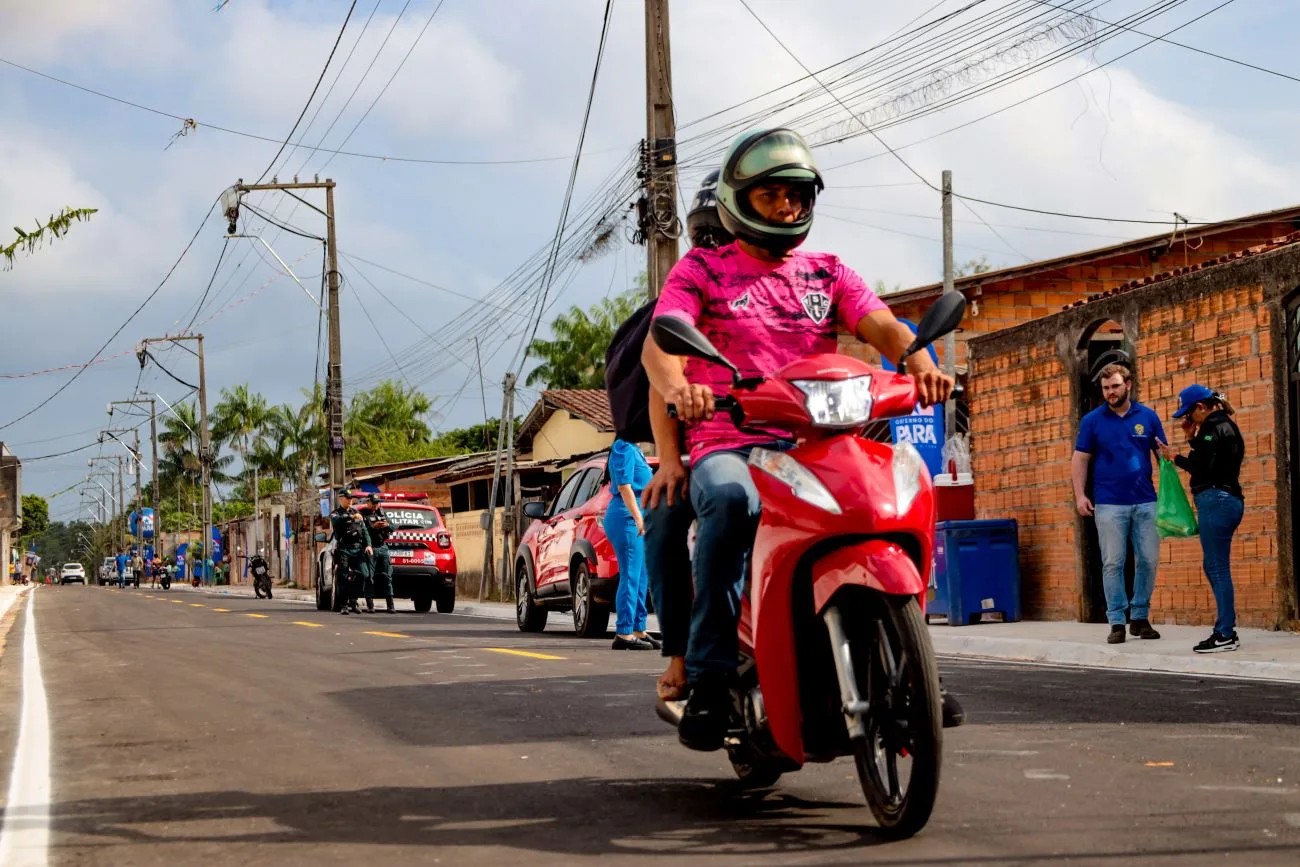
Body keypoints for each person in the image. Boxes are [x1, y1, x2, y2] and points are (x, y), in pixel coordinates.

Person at [641, 127, 954, 752]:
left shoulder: (827, 272)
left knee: (898, 485)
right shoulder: (701, 269)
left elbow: (882, 326)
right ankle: (709, 677)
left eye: (796, 195)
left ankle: (908, 666)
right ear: (738, 200)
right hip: (729, 440)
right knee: (730, 502)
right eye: (770, 196)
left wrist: (917, 359)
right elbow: (663, 339)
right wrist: (682, 390)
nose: (787, 206)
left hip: (817, 439)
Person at [1072, 363, 1167, 644]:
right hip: (1109, 504)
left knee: (1148, 560)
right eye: (1105, 388)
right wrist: (1080, 495)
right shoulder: (1092, 420)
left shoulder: (1148, 417)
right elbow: (1080, 459)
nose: (1110, 392)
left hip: (1146, 501)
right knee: (1113, 563)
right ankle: (1116, 621)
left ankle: (1139, 617)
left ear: (1128, 384)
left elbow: (1163, 457)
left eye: (1114, 386)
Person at [1158, 385, 1245, 653]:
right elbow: (1214, 459)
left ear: (1201, 407)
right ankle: (1226, 627)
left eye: (1189, 412)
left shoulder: (1212, 427)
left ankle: (1225, 633)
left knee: (1217, 567)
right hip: (1227, 500)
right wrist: (1192, 438)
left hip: (1216, 501)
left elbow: (1201, 467)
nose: (1188, 418)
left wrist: (1174, 456)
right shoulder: (1224, 425)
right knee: (1213, 566)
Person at [604, 437, 655, 650]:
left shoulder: (635, 448)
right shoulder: (622, 446)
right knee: (631, 575)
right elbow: (624, 486)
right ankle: (624, 633)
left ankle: (638, 629)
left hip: (638, 515)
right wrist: (638, 518)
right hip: (627, 518)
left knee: (642, 576)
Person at [330, 488, 372, 615]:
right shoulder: (335, 513)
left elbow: (364, 531)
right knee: (343, 577)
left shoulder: (357, 513)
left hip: (357, 548)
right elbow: (336, 521)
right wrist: (351, 516)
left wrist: (368, 545)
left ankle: (353, 600)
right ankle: (343, 604)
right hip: (344, 548)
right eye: (347, 498)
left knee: (362, 574)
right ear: (341, 498)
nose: (350, 500)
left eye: (351, 498)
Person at [363, 493, 396, 613]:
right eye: (374, 502)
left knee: (387, 575)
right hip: (371, 548)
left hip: (383, 547)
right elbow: (362, 530)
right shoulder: (363, 515)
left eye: (377, 502)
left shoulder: (382, 513)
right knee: (369, 576)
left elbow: (393, 527)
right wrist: (373, 527)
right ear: (368, 502)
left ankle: (390, 603)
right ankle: (370, 603)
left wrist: (387, 525)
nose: (376, 505)